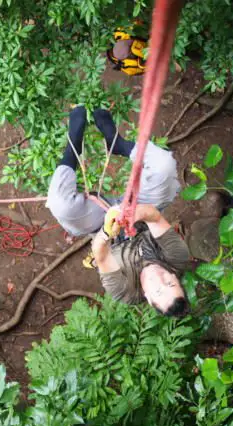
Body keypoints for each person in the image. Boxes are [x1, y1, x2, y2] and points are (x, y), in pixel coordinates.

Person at [46, 106, 189, 317]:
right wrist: (132, 213)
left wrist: (106, 232)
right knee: (164, 166)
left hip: (102, 227)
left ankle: (72, 146)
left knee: (60, 204)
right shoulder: (177, 259)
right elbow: (154, 216)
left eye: (158, 291)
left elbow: (101, 256)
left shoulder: (126, 292)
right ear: (176, 278)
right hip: (141, 211)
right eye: (169, 282)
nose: (161, 279)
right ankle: (118, 143)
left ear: (149, 299)